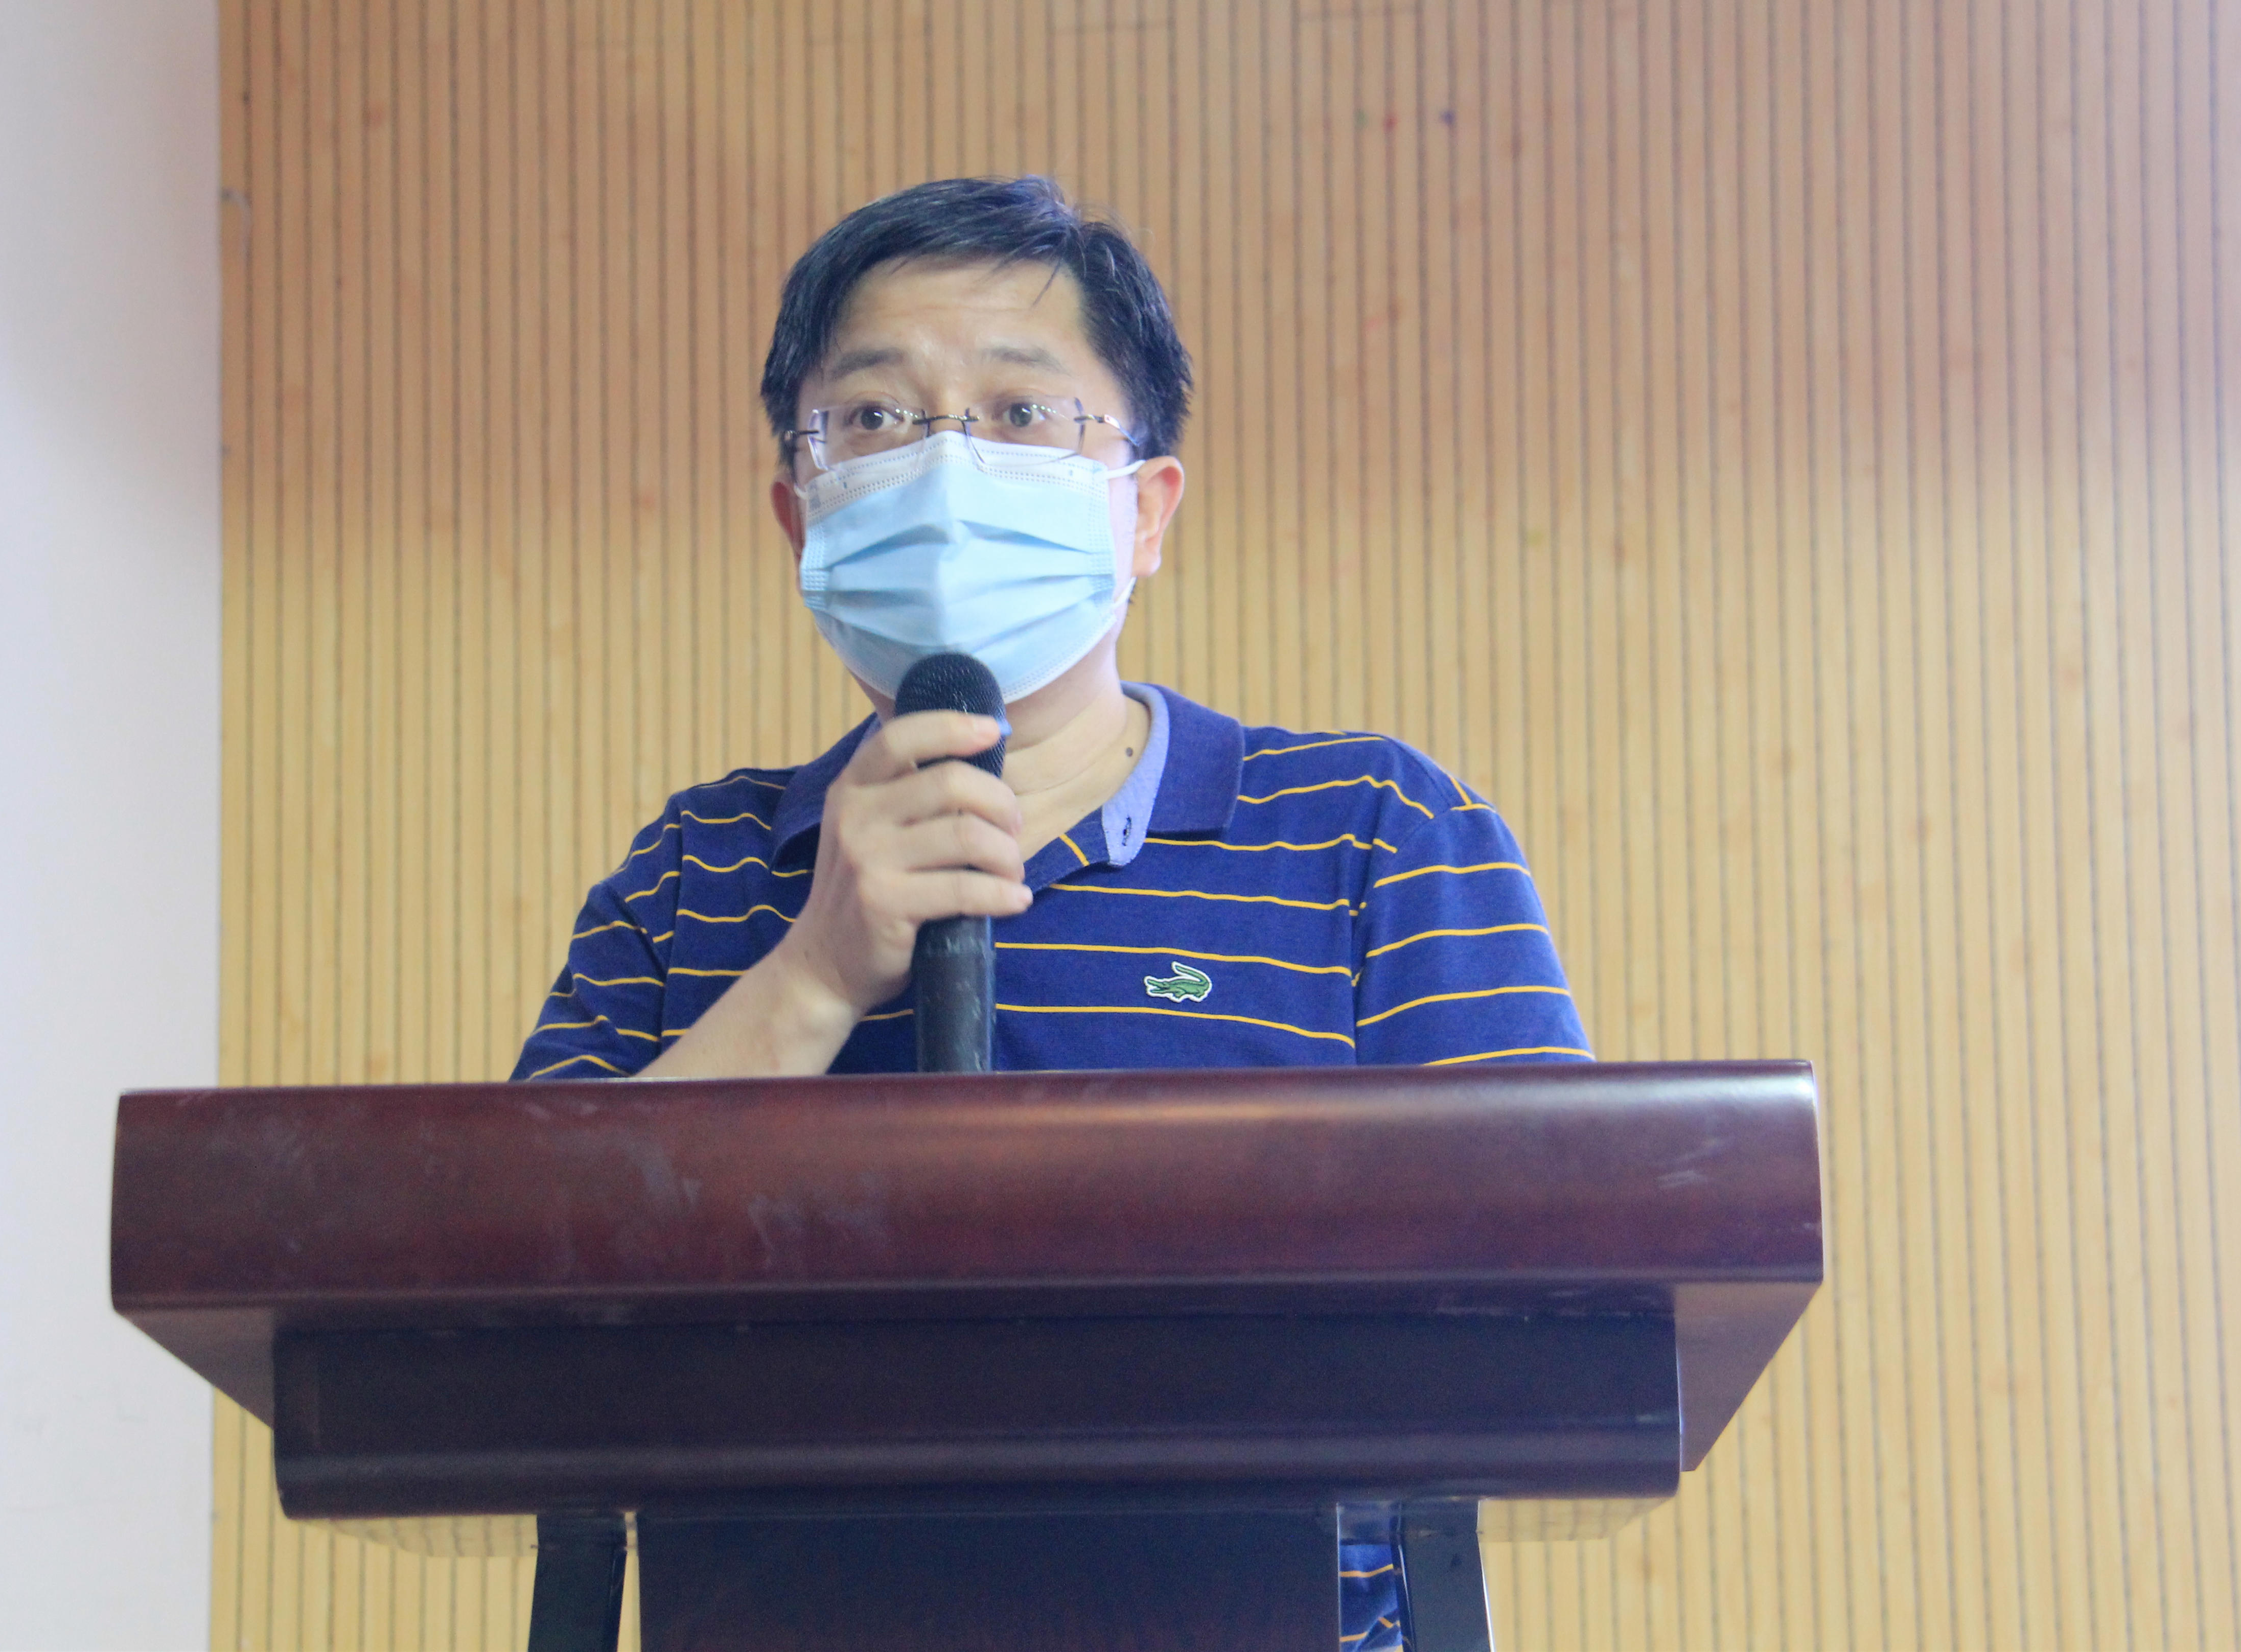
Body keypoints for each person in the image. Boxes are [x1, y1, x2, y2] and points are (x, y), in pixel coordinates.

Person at [512, 174, 1590, 1650]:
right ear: (798, 515)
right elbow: (511, 1306)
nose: (947, 467)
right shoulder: (694, 870)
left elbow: (1563, 1293)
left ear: (1144, 512)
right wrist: (812, 977)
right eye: (876, 418)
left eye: (1021, 414)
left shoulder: (1375, 836)